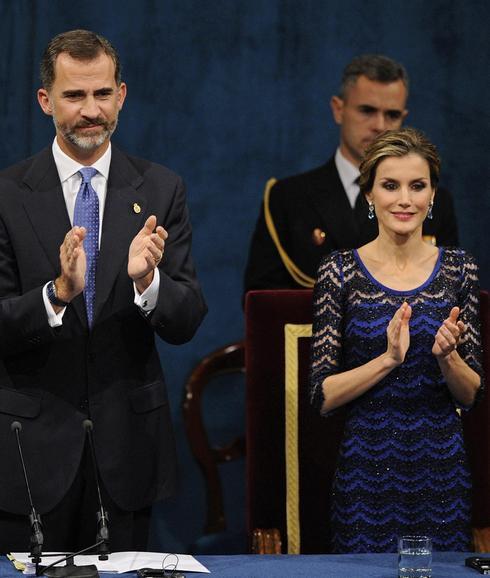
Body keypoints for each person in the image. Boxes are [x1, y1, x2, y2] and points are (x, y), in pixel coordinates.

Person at [0, 30, 207, 553]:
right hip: (28, 456)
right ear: (46, 101)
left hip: (127, 453)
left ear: (122, 94)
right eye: (74, 96)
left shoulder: (161, 188)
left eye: (102, 93)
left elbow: (186, 319)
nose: (91, 110)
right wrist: (56, 294)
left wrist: (147, 282)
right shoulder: (5, 195)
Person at [309, 127, 483, 553]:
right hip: (365, 475)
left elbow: (472, 394)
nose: (404, 199)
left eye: (417, 186)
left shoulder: (460, 269)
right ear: (369, 194)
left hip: (441, 472)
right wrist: (388, 359)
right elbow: (323, 396)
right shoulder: (340, 272)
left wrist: (447, 358)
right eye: (390, 186)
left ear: (432, 195)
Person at [244, 55, 459, 292]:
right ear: (339, 109)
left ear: (403, 118)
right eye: (367, 110)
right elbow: (261, 302)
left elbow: (449, 295)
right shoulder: (287, 198)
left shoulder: (434, 203)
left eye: (392, 115)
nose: (379, 125)